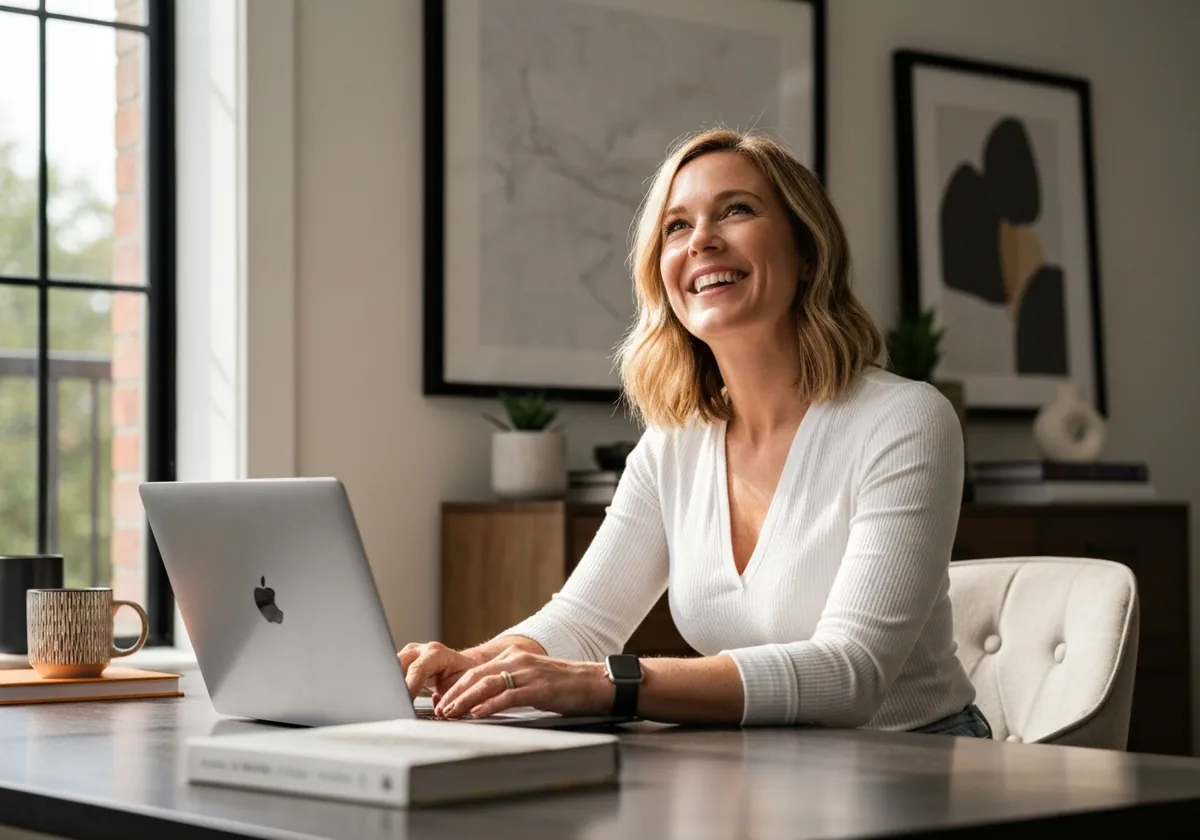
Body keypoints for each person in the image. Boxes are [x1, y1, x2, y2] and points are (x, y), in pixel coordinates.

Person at [401, 128, 991, 737]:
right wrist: (468, 666)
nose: (703, 240)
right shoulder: (673, 441)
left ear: (808, 251)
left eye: (737, 210)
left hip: (912, 761)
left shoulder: (905, 420)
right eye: (676, 226)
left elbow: (850, 676)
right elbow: (584, 620)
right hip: (762, 765)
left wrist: (607, 684)